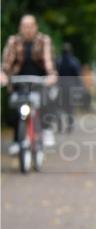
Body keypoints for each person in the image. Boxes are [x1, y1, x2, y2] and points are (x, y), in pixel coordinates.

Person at [2, 14, 58, 151]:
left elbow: (49, 61)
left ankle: (46, 129)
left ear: (36, 27)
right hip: (19, 81)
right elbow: (6, 63)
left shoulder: (44, 40)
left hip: (39, 81)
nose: (28, 29)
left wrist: (51, 75)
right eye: (25, 26)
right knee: (15, 107)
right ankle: (18, 140)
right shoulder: (13, 41)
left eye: (30, 26)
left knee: (46, 100)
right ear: (20, 28)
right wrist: (3, 74)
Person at [56, 42, 82, 133]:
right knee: (70, 107)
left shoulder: (58, 61)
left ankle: (60, 125)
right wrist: (79, 87)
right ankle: (70, 125)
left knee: (59, 106)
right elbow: (77, 76)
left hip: (60, 86)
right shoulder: (74, 61)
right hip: (71, 86)